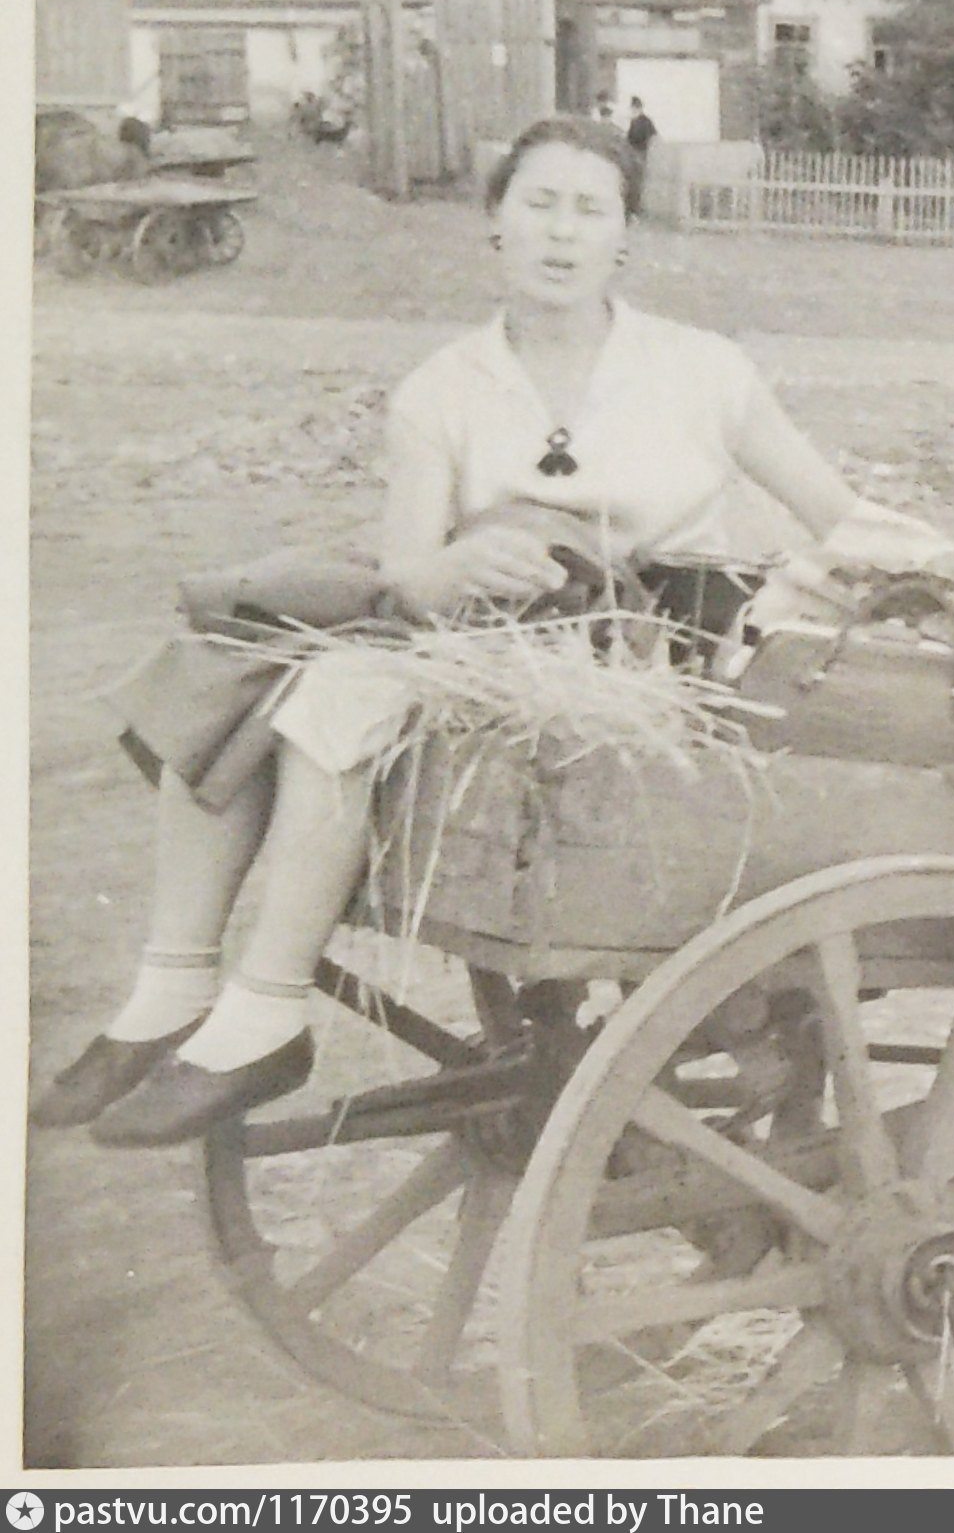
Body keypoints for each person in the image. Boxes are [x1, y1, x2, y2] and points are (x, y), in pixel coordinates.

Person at [33, 114, 871, 1147]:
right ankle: (169, 989)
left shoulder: (702, 369)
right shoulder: (442, 389)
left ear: (623, 238)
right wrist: (460, 564)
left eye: (588, 210)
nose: (561, 234)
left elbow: (840, 516)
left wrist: (935, 582)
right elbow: (408, 573)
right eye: (539, 204)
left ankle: (264, 1012)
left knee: (340, 694)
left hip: (654, 657)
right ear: (496, 227)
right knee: (227, 658)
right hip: (492, 645)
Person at [622, 96, 658, 217]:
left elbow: (653, 138)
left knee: (637, 183)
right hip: (632, 155)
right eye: (632, 108)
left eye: (635, 108)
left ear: (639, 108)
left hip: (640, 155)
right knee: (631, 182)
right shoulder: (633, 121)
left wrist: (645, 154)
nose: (633, 110)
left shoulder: (645, 121)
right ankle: (631, 209)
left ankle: (635, 210)